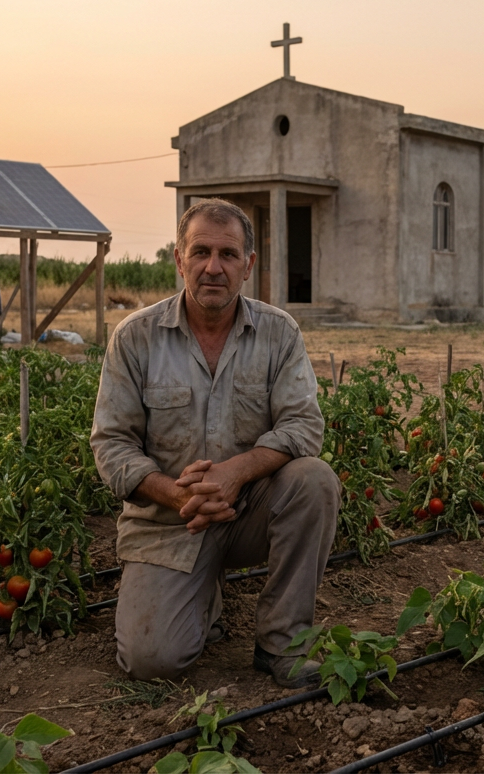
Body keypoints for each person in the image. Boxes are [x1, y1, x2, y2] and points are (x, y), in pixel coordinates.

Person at [90, 198, 339, 686]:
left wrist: (233, 474)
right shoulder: (136, 338)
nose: (212, 267)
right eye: (200, 251)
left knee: (314, 480)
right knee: (153, 661)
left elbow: (304, 427)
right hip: (168, 523)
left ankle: (281, 646)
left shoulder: (278, 333)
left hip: (246, 511)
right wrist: (177, 494)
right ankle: (203, 597)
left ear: (247, 266)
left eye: (227, 255)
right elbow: (112, 446)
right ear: (179, 260)